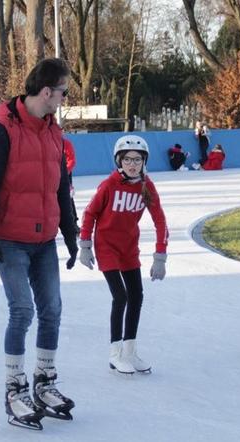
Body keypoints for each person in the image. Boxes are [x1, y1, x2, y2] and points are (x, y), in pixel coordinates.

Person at [0, 57, 79, 430]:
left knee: (51, 310)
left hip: (44, 239)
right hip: (10, 240)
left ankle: (44, 382)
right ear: (47, 91)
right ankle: (14, 388)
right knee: (22, 312)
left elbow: (60, 189)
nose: (65, 98)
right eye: (64, 91)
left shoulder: (54, 131)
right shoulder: (2, 130)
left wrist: (70, 233)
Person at [78, 135, 168, 376]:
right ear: (119, 160)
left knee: (136, 296)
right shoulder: (108, 185)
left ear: (143, 161)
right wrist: (85, 245)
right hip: (106, 246)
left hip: (129, 247)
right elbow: (90, 213)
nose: (132, 164)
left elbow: (160, 220)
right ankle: (115, 354)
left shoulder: (146, 186)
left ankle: (130, 350)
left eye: (137, 159)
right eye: (127, 159)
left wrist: (160, 257)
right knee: (120, 296)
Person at [63, 137, 80, 229]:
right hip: (50, 174)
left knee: (68, 198)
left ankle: (73, 223)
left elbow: (72, 160)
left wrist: (65, 172)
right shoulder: (47, 142)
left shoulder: (66, 143)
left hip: (64, 174)